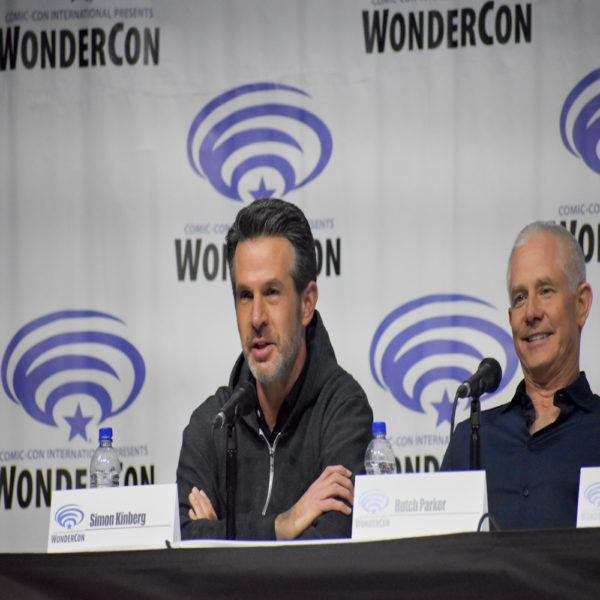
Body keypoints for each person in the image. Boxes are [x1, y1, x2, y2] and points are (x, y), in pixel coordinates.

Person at [176, 198, 373, 540]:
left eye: (271, 292)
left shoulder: (343, 411)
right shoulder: (211, 424)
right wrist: (284, 525)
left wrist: (219, 536)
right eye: (245, 295)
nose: (256, 318)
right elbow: (183, 541)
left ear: (307, 303)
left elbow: (330, 543)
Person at [442, 221, 599, 529]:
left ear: (581, 304)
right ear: (510, 318)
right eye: (519, 298)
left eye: (545, 291)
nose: (531, 313)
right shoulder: (470, 440)